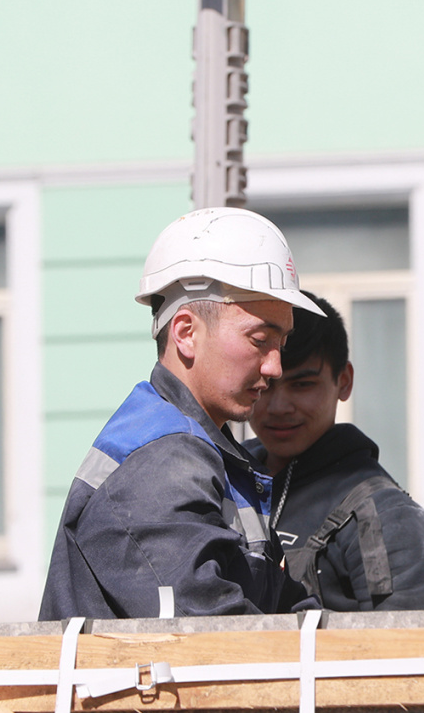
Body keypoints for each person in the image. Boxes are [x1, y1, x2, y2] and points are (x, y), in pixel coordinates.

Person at [39, 207, 324, 620]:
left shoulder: (204, 452)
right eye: (260, 339)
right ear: (186, 333)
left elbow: (284, 608)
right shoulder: (162, 462)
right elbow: (215, 636)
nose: (276, 367)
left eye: (281, 344)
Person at [244, 292, 424, 611]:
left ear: (344, 381)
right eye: (265, 384)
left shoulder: (386, 517)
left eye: (302, 385)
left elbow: (405, 640)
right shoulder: (221, 480)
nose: (279, 407)